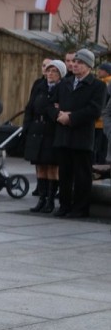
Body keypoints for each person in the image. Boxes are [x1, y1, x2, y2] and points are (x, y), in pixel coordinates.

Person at [51, 49, 105, 219]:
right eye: (74, 61)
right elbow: (50, 104)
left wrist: (71, 117)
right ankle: (64, 205)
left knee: (82, 174)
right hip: (63, 135)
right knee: (65, 174)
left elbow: (94, 109)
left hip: (82, 137)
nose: (74, 65)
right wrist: (58, 116)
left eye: (80, 62)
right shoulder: (64, 84)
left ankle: (80, 208)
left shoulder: (98, 86)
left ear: (88, 66)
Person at [23, 60, 63, 213]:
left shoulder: (61, 88)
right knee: (39, 166)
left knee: (52, 166)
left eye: (54, 71)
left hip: (51, 131)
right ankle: (42, 198)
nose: (50, 74)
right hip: (36, 130)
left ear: (60, 75)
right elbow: (30, 107)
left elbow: (58, 108)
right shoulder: (39, 87)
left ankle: (51, 200)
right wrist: (27, 126)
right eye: (48, 71)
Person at [93, 62, 111, 164]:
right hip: (101, 122)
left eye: (101, 69)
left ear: (107, 72)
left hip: (101, 123)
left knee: (100, 148)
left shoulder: (106, 84)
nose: (99, 71)